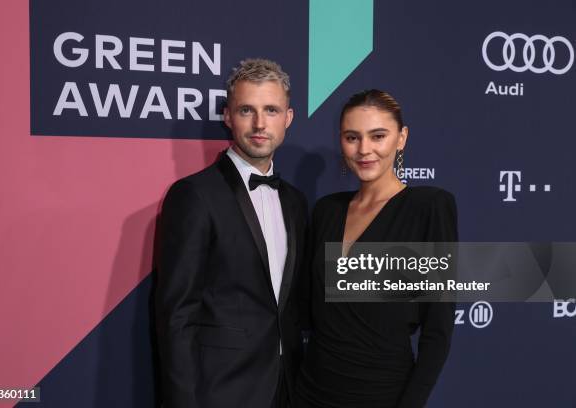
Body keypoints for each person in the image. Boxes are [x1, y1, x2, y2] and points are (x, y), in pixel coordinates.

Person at [155, 58, 308, 408]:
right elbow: (176, 314)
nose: (259, 124)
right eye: (246, 110)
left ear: (288, 118)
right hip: (221, 391)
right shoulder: (194, 195)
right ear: (227, 116)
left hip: (289, 388)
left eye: (271, 110)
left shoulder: (296, 202)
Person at [295, 90, 457, 408]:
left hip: (381, 393)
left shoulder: (429, 206)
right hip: (310, 391)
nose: (364, 149)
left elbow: (438, 330)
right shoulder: (327, 210)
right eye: (352, 137)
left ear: (401, 138)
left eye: (378, 136)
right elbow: (308, 312)